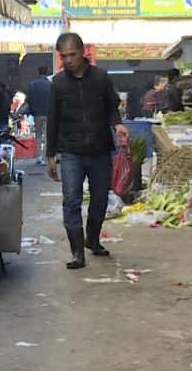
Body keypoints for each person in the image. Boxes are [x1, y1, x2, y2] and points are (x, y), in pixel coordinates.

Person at [47, 32, 128, 269]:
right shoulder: (58, 83)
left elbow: (112, 108)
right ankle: (76, 252)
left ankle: (92, 240)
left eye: (72, 55)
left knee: (100, 199)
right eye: (64, 56)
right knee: (71, 200)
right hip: (71, 151)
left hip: (100, 148)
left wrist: (118, 125)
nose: (69, 60)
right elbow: (53, 119)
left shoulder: (102, 78)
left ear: (83, 52)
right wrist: (50, 155)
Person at [27, 65, 52, 163]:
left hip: (37, 113)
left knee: (38, 135)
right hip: (48, 113)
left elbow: (29, 98)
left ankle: (38, 156)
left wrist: (32, 110)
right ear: (47, 73)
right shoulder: (50, 84)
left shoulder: (32, 84)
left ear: (38, 72)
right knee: (46, 135)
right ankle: (45, 156)